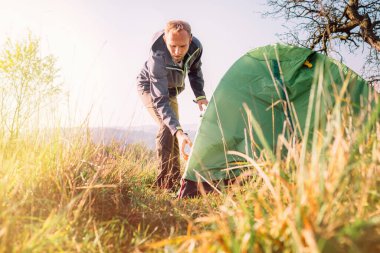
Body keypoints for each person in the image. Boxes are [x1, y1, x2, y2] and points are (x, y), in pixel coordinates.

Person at [137, 20, 208, 191]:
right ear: (165, 39)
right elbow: (160, 100)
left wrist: (200, 96)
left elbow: (195, 71)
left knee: (177, 131)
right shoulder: (157, 56)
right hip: (151, 89)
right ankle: (163, 184)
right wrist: (177, 131)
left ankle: (175, 179)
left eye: (182, 46)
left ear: (190, 40)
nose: (177, 52)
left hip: (172, 91)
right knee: (168, 126)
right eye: (172, 46)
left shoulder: (196, 48)